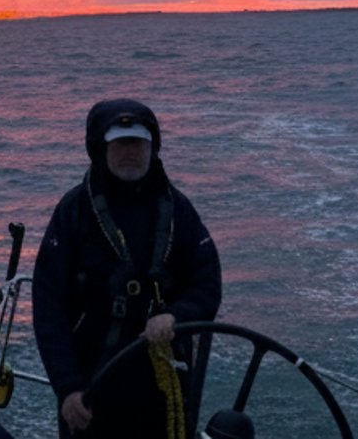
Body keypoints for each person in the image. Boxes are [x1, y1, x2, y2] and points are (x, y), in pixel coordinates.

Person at [31, 98, 222, 437]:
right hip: (90, 384)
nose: (130, 152)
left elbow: (207, 284)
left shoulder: (179, 211)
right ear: (99, 149)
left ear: (153, 148)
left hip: (162, 382)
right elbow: (49, 307)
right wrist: (67, 387)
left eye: (139, 143)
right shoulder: (72, 213)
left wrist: (177, 315)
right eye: (121, 144)